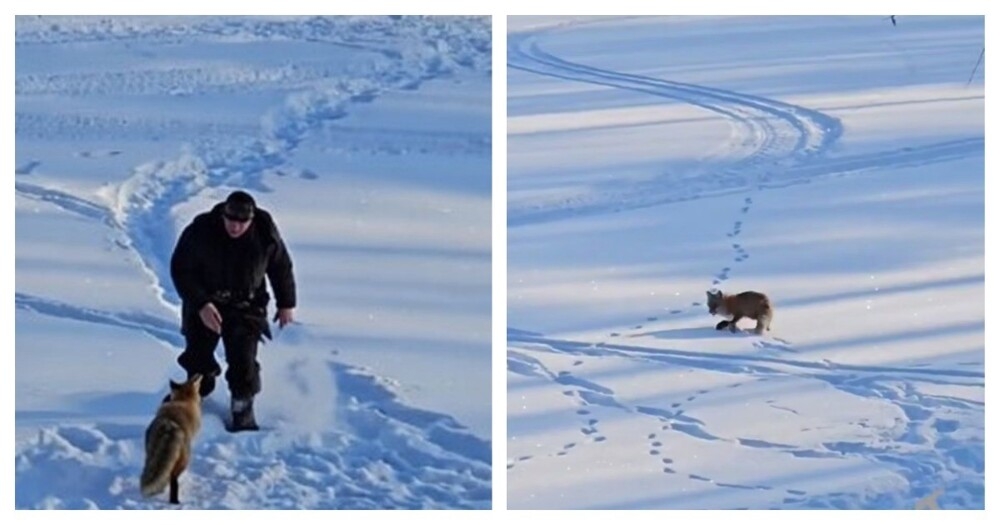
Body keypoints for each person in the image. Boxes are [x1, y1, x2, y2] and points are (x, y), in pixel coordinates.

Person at [169, 190, 296, 431]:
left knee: (243, 361)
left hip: (246, 306)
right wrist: (202, 304)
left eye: (242, 223)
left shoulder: (265, 234)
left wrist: (286, 303)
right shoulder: (200, 231)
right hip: (205, 302)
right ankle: (196, 394)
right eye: (231, 221)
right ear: (223, 215)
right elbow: (181, 269)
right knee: (198, 358)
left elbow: (281, 267)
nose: (235, 227)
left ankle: (242, 407)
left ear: (251, 220)